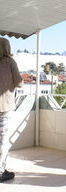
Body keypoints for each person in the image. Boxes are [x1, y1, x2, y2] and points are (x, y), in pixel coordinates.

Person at [0, 38, 22, 182]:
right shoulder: (10, 62)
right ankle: (1, 171)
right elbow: (19, 82)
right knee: (2, 140)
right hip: (3, 107)